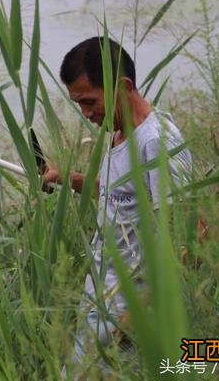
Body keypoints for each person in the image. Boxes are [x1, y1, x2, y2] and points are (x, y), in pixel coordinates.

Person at [42, 37, 193, 368]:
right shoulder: (122, 131)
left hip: (131, 307)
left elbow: (185, 240)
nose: (86, 114)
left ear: (122, 86)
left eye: (89, 101)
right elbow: (122, 195)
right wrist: (68, 180)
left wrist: (136, 315)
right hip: (103, 295)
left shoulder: (157, 143)